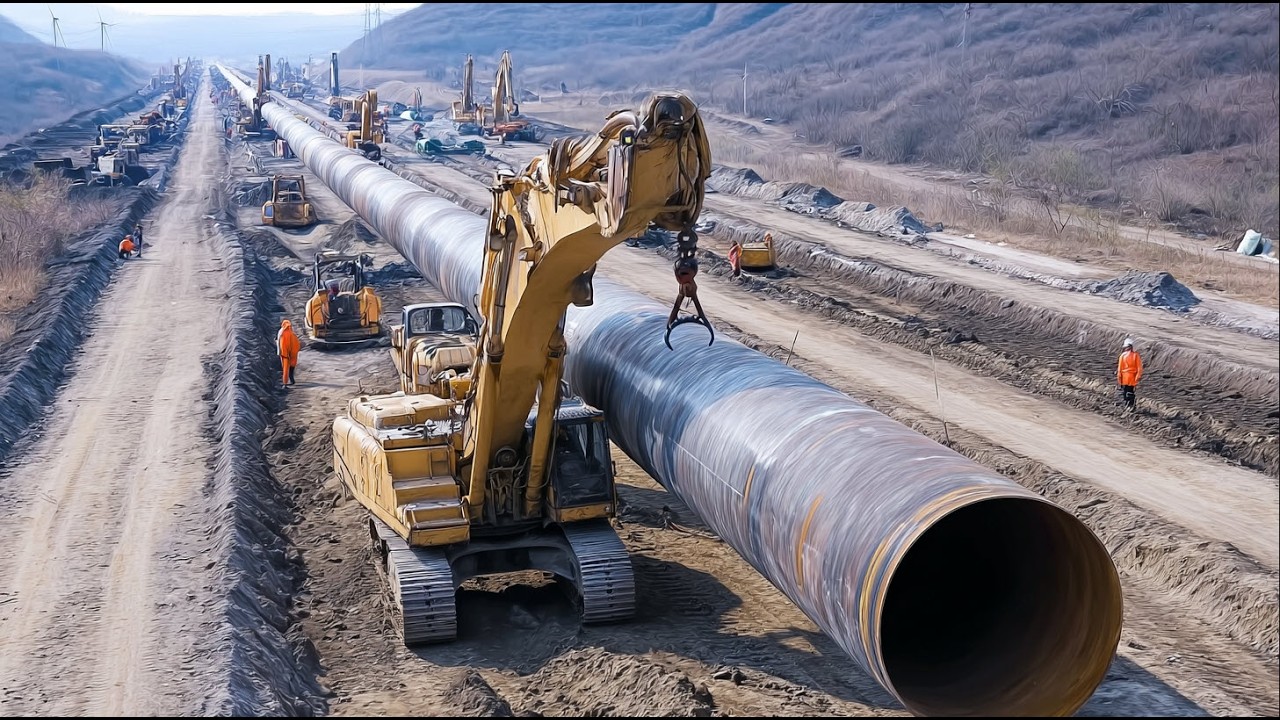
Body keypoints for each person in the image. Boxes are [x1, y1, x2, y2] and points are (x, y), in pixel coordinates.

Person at [1117, 337, 1143, 412]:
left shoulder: (1122, 356)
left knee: (1125, 392)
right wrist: (1137, 377)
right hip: (1132, 377)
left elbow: (1119, 369)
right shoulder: (1136, 355)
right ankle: (1131, 405)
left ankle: (1128, 405)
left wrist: (1119, 380)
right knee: (1130, 392)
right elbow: (1139, 368)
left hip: (1124, 377)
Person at [277, 319, 300, 387]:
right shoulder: (291, 333)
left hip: (285, 355)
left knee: (285, 369)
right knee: (291, 368)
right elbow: (297, 344)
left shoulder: (281, 333)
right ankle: (291, 380)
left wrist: (285, 354)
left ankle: (285, 383)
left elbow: (282, 344)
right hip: (292, 354)